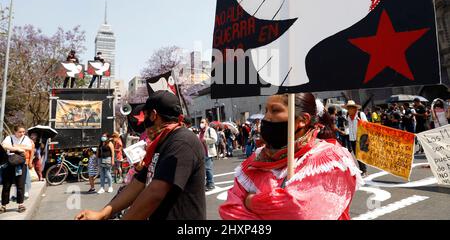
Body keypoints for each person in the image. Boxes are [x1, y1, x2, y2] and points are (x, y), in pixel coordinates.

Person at [219, 93, 362, 220]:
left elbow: (302, 213)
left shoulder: (330, 158)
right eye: (266, 110)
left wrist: (251, 201)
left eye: (275, 110)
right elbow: (230, 210)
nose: (267, 117)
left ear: (303, 120)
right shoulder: (258, 157)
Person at [75, 90, 206, 220]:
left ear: (154, 115)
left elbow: (155, 192)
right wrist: (103, 214)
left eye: (145, 114)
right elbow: (139, 183)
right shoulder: (160, 143)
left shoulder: (181, 142)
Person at [1, 125, 33, 213]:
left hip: (21, 164)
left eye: (23, 132)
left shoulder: (25, 138)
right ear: (15, 132)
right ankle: (3, 205)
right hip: (9, 163)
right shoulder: (9, 137)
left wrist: (17, 146)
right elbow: (4, 145)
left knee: (20, 185)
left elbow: (29, 147)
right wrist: (17, 148)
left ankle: (20, 205)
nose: (22, 133)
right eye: (20, 132)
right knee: (6, 185)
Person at [344, 100, 368, 177]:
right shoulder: (348, 116)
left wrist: (360, 121)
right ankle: (362, 169)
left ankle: (364, 170)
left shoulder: (360, 114)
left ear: (354, 108)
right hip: (352, 138)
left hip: (360, 138)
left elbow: (366, 124)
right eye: (348, 108)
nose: (348, 110)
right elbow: (349, 127)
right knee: (356, 155)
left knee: (360, 155)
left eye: (350, 108)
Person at [199, 118, 217, 191]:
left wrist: (205, 140)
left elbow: (215, 139)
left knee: (208, 169)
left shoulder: (210, 130)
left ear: (206, 123)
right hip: (202, 152)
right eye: (201, 122)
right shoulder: (200, 132)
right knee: (204, 169)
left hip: (208, 152)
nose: (201, 123)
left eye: (202, 122)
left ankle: (211, 184)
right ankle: (208, 183)